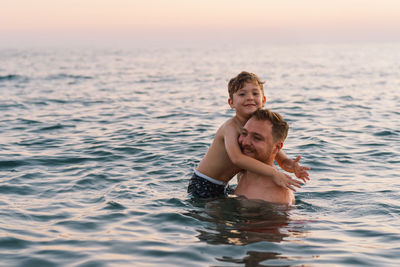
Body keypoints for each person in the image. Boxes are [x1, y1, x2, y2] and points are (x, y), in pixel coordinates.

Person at [187, 71, 309, 198]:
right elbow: (237, 159)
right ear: (231, 103)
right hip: (204, 183)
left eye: (255, 93)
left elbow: (281, 160)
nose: (250, 97)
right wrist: (274, 173)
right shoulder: (230, 127)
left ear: (263, 100)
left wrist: (294, 167)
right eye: (242, 94)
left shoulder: (258, 128)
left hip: (223, 185)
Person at [235, 109, 295, 205]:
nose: (245, 142)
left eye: (257, 138)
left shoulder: (275, 196)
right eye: (244, 133)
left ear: (277, 147)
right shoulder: (244, 170)